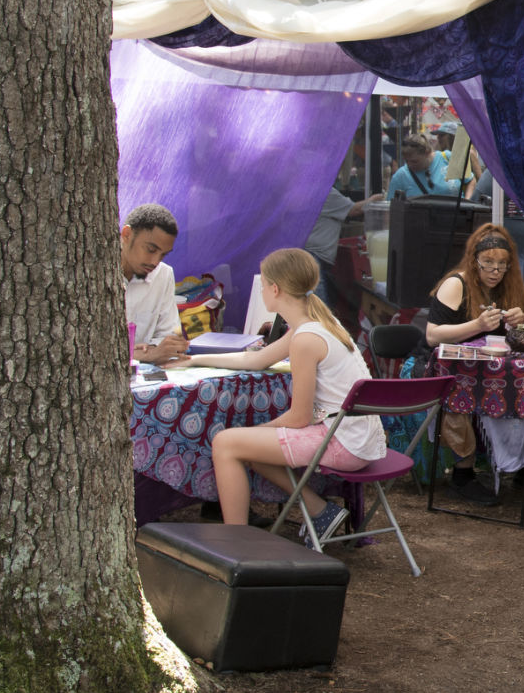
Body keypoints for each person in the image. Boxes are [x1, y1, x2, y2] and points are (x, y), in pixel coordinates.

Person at [172, 248, 383, 542]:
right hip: (359, 437)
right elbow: (256, 360)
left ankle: (235, 542)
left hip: (344, 442)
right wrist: (195, 359)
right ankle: (320, 511)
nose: (261, 291)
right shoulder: (318, 324)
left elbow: (299, 417)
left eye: (261, 286)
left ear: (274, 289)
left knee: (226, 443)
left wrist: (254, 431)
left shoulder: (306, 338)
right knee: (250, 446)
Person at [424, 224, 524, 502]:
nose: (495, 271)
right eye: (488, 263)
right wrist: (477, 325)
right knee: (461, 387)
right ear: (474, 261)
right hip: (443, 370)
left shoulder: (508, 287)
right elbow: (432, 335)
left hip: (489, 371)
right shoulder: (456, 284)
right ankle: (463, 474)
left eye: (502, 265)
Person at [471, 169, 524, 318]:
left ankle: (510, 338)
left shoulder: (499, 166)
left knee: (510, 293)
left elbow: (477, 199)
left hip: (509, 238)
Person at [123, 203, 187, 365]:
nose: (155, 262)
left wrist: (154, 350)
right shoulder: (93, 274)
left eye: (163, 255)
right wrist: (140, 355)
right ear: (126, 235)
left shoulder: (163, 274)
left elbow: (171, 338)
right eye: (151, 250)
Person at [305, 187, 378, 305]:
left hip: (308, 257)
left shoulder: (301, 191)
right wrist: (374, 199)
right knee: (319, 313)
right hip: (313, 259)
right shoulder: (323, 192)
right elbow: (355, 210)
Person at [387, 133, 461, 200]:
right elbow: (391, 207)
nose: (410, 165)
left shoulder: (447, 158)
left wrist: (467, 202)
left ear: (427, 153)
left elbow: (469, 181)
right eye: (406, 161)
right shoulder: (400, 176)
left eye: (414, 161)